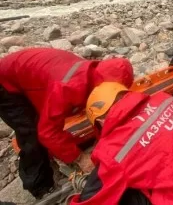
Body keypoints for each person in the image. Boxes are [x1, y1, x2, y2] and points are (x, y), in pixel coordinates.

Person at [69, 79, 173, 204]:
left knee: (123, 194)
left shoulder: (113, 151)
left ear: (100, 122)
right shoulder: (164, 100)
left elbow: (91, 198)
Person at [0, 48, 134, 199]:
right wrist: (80, 158)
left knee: (50, 118)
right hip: (5, 83)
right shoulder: (66, 89)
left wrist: (104, 142)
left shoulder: (98, 73)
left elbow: (98, 112)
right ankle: (42, 188)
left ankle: (56, 153)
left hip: (33, 75)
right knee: (32, 133)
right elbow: (47, 132)